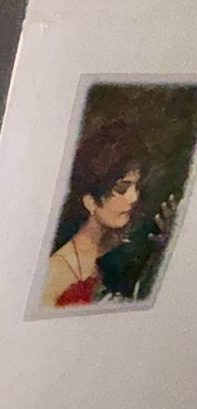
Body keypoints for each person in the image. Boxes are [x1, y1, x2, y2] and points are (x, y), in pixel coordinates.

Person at [43, 121, 143, 307]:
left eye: (135, 187)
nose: (133, 197)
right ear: (90, 201)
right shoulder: (55, 270)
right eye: (121, 188)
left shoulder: (122, 251)